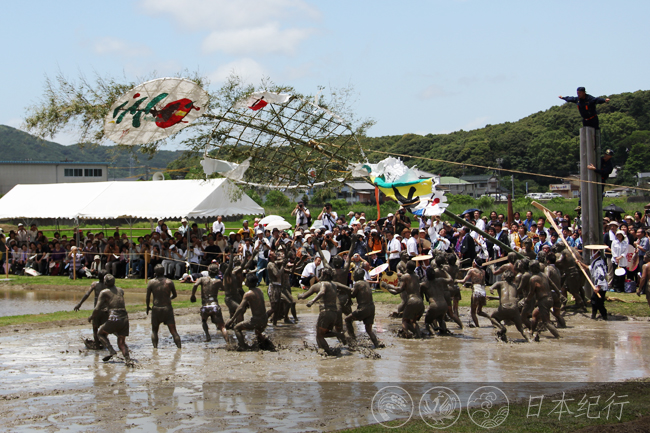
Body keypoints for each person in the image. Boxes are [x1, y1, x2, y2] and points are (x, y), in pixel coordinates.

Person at [298, 268, 347, 355]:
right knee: (324, 333)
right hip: (334, 313)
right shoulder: (334, 285)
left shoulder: (320, 285)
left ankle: (327, 352)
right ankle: (337, 336)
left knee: (319, 335)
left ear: (325, 275)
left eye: (321, 274)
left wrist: (309, 300)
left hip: (325, 312)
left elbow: (320, 292)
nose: (319, 276)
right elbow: (348, 289)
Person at [226, 273, 274, 350]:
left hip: (256, 320)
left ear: (248, 282)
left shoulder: (248, 294)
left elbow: (240, 308)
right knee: (257, 332)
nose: (245, 281)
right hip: (264, 319)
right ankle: (266, 344)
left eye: (246, 280)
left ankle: (243, 346)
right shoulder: (260, 290)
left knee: (236, 328)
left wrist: (231, 320)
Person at [92, 274, 132, 365]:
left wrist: (92, 316)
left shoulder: (104, 292)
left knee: (100, 334)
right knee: (121, 343)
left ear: (105, 283)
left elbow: (97, 308)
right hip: (124, 318)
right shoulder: (120, 290)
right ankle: (128, 360)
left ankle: (111, 351)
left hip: (114, 317)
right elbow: (116, 302)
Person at [381, 261, 425, 338]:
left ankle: (406, 334)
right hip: (420, 301)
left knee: (404, 320)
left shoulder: (405, 277)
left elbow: (398, 289)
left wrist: (387, 285)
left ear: (407, 268)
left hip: (412, 301)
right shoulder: (416, 276)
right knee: (413, 321)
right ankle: (418, 335)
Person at [191, 263, 229, 343]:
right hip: (215, 306)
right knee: (222, 326)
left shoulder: (202, 279)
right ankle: (228, 342)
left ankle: (208, 336)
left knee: (204, 321)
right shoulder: (218, 281)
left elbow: (195, 285)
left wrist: (193, 295)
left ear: (208, 271)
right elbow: (224, 289)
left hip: (205, 306)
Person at [146, 264, 182, 348]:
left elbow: (147, 297)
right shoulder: (169, 282)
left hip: (156, 308)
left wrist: (147, 307)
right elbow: (175, 295)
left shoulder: (151, 282)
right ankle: (179, 348)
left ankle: (155, 349)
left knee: (154, 331)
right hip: (167, 308)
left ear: (155, 272)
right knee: (173, 331)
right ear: (164, 271)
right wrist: (169, 298)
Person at [344, 268, 381, 348]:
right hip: (371, 308)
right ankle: (377, 344)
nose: (353, 276)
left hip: (363, 308)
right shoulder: (366, 282)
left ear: (357, 276)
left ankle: (353, 339)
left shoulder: (357, 284)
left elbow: (353, 295)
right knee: (369, 330)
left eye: (354, 275)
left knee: (347, 319)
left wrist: (348, 291)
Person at [488, 270, 529, 342]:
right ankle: (530, 339)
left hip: (503, 308)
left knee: (493, 317)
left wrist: (491, 290)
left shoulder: (499, 283)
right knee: (521, 329)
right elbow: (511, 298)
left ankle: (502, 328)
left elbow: (491, 288)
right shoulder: (515, 286)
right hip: (514, 308)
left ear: (503, 277)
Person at [74, 270, 108, 348]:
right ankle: (105, 343)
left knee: (95, 329)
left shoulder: (94, 284)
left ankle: (97, 345)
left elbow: (87, 294)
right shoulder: (108, 286)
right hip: (106, 311)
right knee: (105, 329)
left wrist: (79, 304)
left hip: (97, 310)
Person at [457, 258, 490, 328]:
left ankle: (477, 327)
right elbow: (480, 282)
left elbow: (463, 281)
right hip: (483, 291)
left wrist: (455, 280)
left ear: (474, 263)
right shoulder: (483, 271)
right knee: (479, 311)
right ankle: (491, 318)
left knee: (473, 312)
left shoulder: (471, 271)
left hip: (476, 292)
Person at [588, 249, 608, 320]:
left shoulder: (599, 263)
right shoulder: (596, 261)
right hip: (597, 285)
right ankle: (593, 315)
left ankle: (604, 316)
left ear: (595, 253)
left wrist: (598, 287)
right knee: (594, 300)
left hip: (601, 286)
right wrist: (580, 263)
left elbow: (601, 275)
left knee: (599, 302)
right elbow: (590, 267)